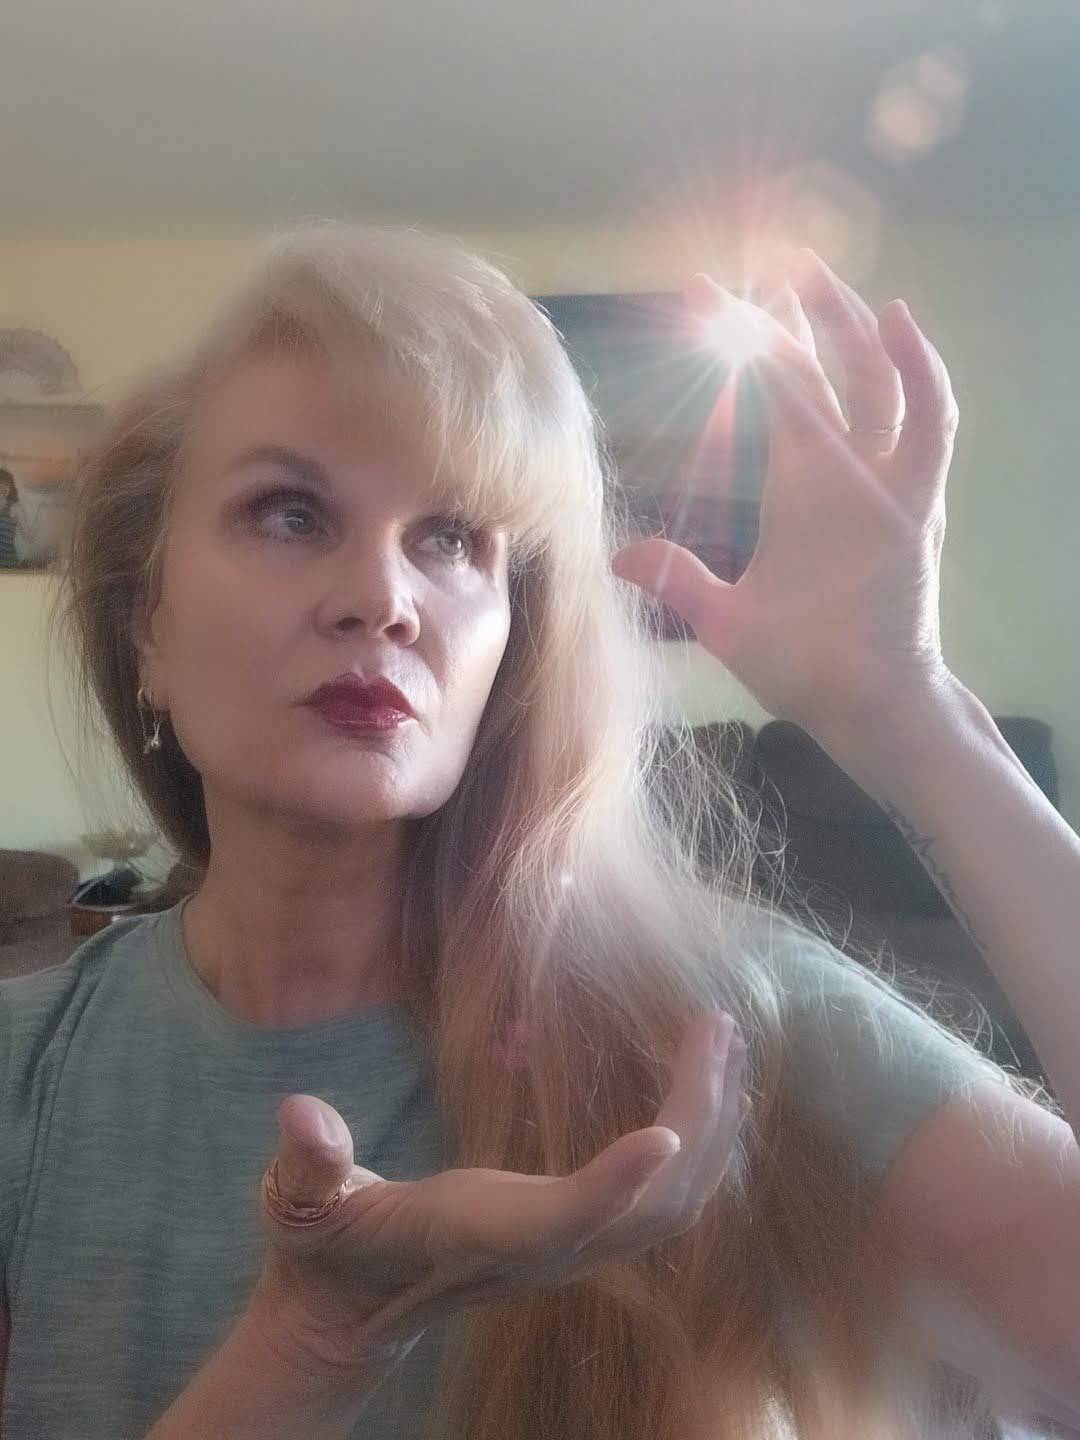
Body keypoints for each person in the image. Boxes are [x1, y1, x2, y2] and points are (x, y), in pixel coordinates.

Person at [0, 224, 1061, 1439]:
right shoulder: (27, 1071)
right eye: (289, 514)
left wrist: (911, 713)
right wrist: (311, 1343)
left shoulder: (721, 1026)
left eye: (452, 537)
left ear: (515, 634)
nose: (383, 599)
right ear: (145, 626)